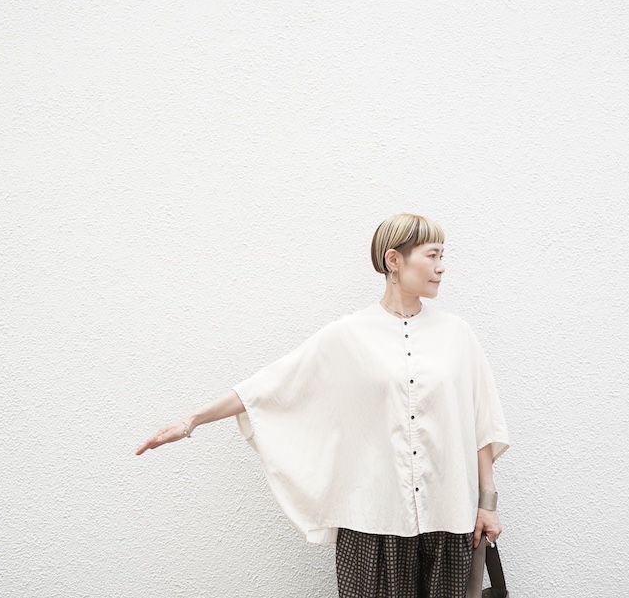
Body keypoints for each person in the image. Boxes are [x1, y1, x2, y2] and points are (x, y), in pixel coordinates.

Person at [136, 213, 509, 597]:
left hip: (448, 518)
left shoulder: (458, 335)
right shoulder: (348, 335)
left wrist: (488, 503)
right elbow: (271, 386)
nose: (441, 267)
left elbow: (481, 421)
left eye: (442, 256)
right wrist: (192, 420)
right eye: (432, 255)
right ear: (394, 260)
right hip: (372, 524)